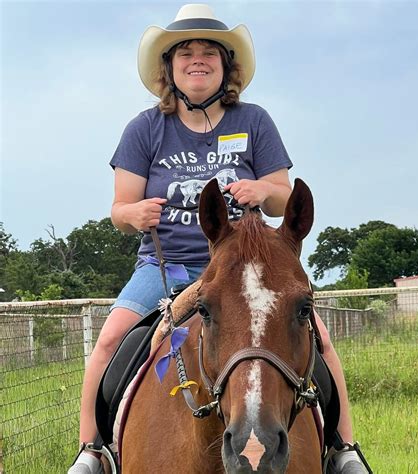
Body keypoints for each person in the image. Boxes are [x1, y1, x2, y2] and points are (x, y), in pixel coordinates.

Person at [68, 4, 367, 474]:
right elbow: (118, 210)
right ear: (169, 66)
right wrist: (135, 212)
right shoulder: (145, 129)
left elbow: (282, 199)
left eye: (209, 52)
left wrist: (264, 189)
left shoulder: (255, 120)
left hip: (245, 269)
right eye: (185, 52)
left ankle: (342, 450)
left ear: (227, 65)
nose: (197, 60)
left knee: (321, 342)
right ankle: (92, 452)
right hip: (165, 267)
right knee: (107, 344)